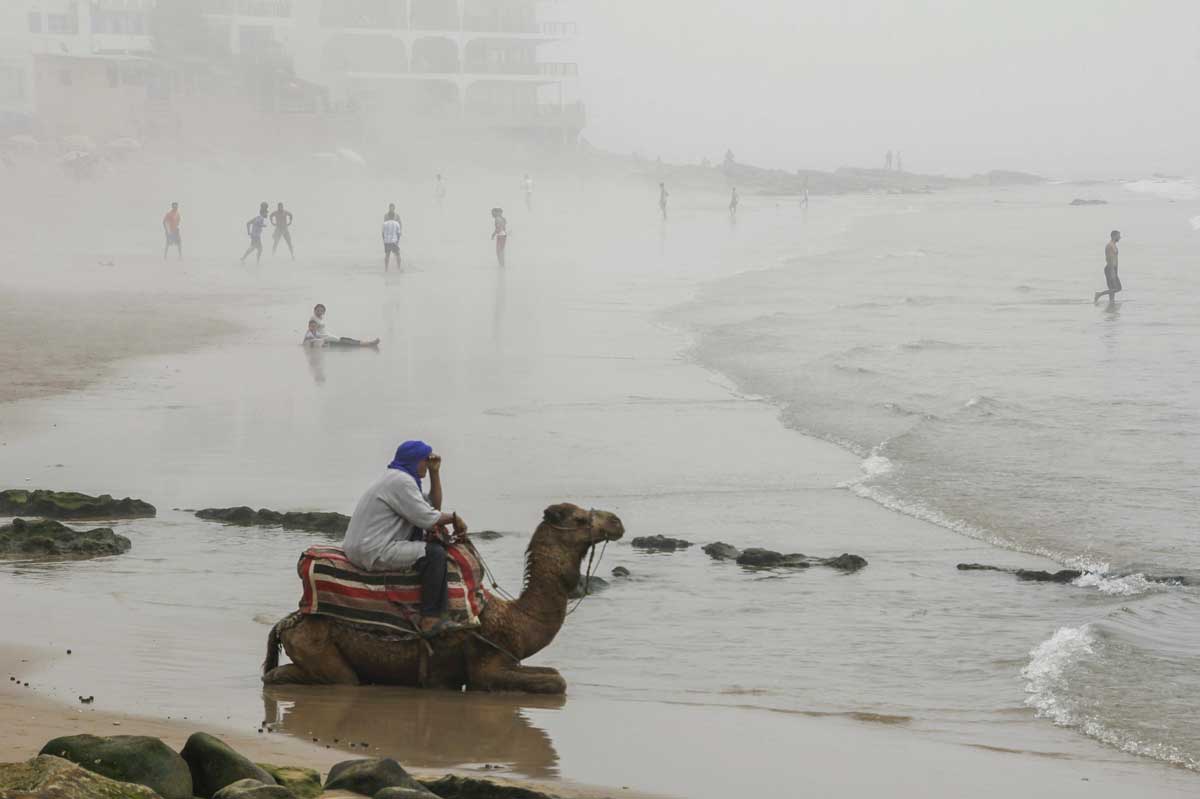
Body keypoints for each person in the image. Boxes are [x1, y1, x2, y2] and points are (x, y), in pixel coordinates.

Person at [342, 441, 468, 635]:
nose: (427, 464)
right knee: (435, 554)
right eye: (426, 461)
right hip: (374, 549)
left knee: (431, 550)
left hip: (362, 545)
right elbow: (427, 518)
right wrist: (454, 518)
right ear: (416, 461)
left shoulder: (400, 479)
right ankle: (430, 619)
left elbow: (433, 506)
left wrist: (435, 473)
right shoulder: (401, 482)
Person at [309, 303, 379, 347]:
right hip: (324, 338)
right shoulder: (313, 318)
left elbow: (319, 329)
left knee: (345, 339)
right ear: (314, 310)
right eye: (318, 310)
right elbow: (311, 331)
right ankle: (369, 344)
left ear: (324, 312)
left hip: (328, 335)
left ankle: (367, 343)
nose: (319, 312)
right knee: (346, 341)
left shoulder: (320, 317)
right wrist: (317, 342)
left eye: (321, 311)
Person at [1094, 230, 1123, 304]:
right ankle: (1099, 294)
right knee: (1118, 288)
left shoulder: (1113, 245)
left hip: (1113, 268)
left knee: (1112, 288)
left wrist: (1115, 269)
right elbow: (1109, 258)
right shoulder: (1110, 245)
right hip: (1110, 268)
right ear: (1114, 236)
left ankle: (1111, 303)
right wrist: (1112, 270)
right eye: (1118, 236)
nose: (1119, 237)